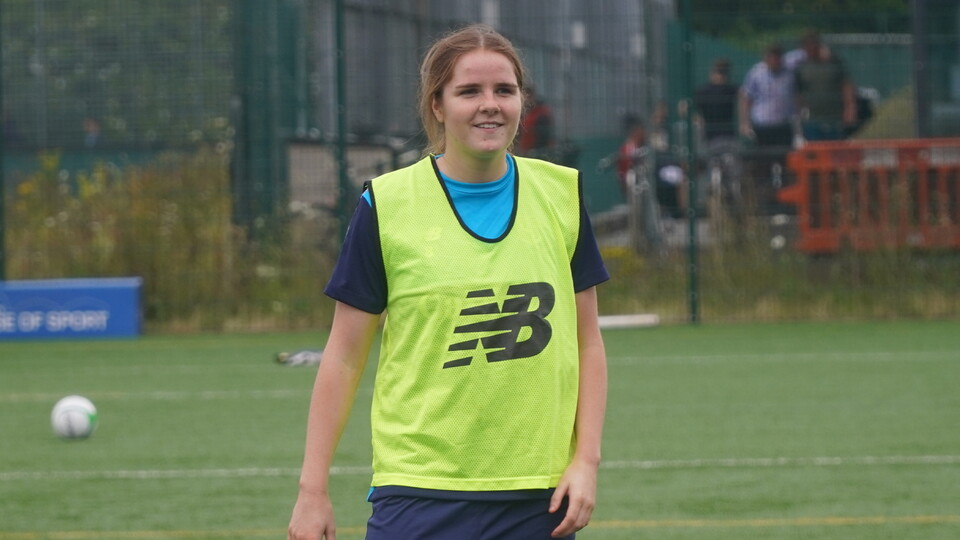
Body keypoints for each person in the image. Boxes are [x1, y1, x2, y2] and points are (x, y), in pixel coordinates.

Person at [288, 23, 609, 540]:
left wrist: (586, 461)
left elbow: (587, 341)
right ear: (437, 105)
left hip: (539, 498)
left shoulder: (561, 195)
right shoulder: (387, 205)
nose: (490, 105)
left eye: (504, 90)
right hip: (418, 493)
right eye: (469, 91)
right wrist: (312, 489)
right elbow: (344, 356)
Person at [792, 30, 857, 141]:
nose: (811, 48)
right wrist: (800, 113)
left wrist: (850, 109)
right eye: (807, 45)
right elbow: (798, 94)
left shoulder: (834, 63)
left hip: (835, 118)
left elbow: (846, 87)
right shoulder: (801, 68)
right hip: (812, 119)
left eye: (813, 44)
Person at [738, 43, 795, 148]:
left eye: (778, 57)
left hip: (783, 124)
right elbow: (746, 98)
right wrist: (744, 123)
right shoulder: (756, 73)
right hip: (762, 125)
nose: (776, 61)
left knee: (785, 154)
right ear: (766, 58)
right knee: (763, 155)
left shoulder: (788, 73)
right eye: (773, 57)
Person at [693, 58, 739, 145]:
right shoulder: (704, 91)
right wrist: (698, 119)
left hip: (727, 136)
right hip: (712, 138)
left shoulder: (731, 89)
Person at [517, 85, 556, 158]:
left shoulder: (541, 113)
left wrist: (536, 152)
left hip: (538, 153)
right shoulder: (525, 113)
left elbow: (544, 136)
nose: (525, 99)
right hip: (527, 152)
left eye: (527, 96)